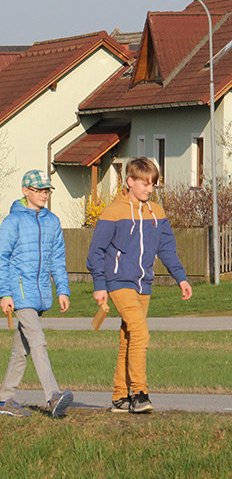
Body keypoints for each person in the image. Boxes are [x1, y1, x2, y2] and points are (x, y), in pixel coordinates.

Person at [86, 157, 192, 414]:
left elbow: (166, 248)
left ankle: (120, 397)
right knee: (141, 333)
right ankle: (140, 394)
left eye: (153, 184)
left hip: (144, 284)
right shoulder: (113, 212)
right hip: (118, 281)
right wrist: (100, 285)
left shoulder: (157, 212)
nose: (149, 189)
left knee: (128, 338)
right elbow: (95, 252)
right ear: (130, 181)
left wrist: (181, 277)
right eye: (145, 183)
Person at [0, 170, 74, 418]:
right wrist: (5, 293)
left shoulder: (52, 222)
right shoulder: (12, 221)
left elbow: (57, 259)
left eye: (46, 190)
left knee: (22, 350)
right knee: (38, 340)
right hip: (19, 292)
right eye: (39, 190)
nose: (44, 195)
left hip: (40, 294)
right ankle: (53, 396)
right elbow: (0, 260)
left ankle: (6, 400)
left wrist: (62, 289)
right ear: (25, 191)